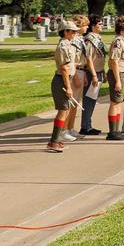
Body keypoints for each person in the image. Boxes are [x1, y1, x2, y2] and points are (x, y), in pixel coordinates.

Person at [47, 20, 79, 153]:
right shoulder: (63, 47)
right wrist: (69, 87)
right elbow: (64, 69)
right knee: (62, 110)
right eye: (73, 31)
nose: (75, 33)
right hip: (61, 81)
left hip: (66, 79)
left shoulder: (69, 44)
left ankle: (56, 139)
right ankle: (53, 141)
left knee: (65, 110)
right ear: (65, 32)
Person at [106, 16, 124, 141]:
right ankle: (112, 132)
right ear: (122, 29)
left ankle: (117, 130)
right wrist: (117, 81)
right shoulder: (118, 42)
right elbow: (114, 61)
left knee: (119, 101)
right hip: (118, 74)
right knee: (115, 102)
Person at [65, 15, 90, 139]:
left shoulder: (80, 39)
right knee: (71, 103)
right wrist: (75, 77)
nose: (87, 27)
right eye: (85, 25)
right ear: (78, 26)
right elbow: (73, 61)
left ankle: (71, 128)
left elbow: (83, 58)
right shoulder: (74, 41)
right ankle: (64, 130)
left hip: (81, 70)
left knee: (76, 104)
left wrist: (84, 75)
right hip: (75, 72)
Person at [80, 17, 106, 135]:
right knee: (89, 100)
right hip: (91, 73)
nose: (102, 25)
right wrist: (94, 75)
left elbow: (100, 57)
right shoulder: (89, 40)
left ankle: (88, 125)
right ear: (93, 26)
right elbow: (89, 59)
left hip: (98, 71)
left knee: (92, 100)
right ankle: (85, 127)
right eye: (100, 24)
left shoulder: (98, 38)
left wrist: (103, 72)